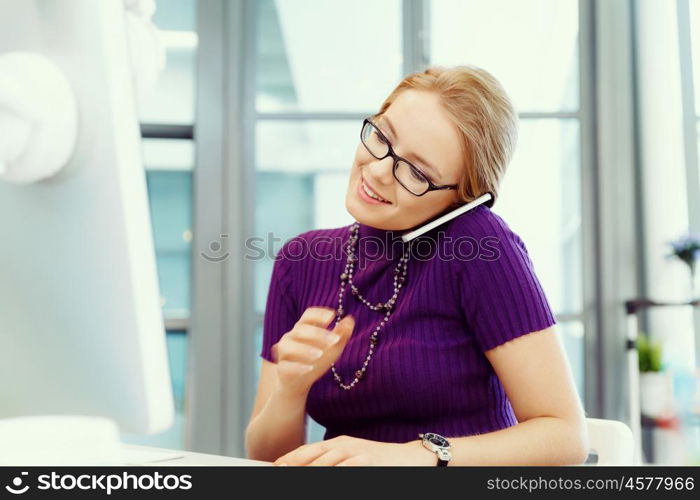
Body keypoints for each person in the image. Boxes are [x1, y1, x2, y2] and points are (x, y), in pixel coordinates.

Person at [245, 65, 589, 466]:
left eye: (415, 172)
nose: (376, 170)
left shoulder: (479, 245)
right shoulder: (300, 260)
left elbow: (565, 436)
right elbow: (268, 458)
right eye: (381, 136)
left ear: (462, 199)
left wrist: (420, 457)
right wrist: (290, 388)